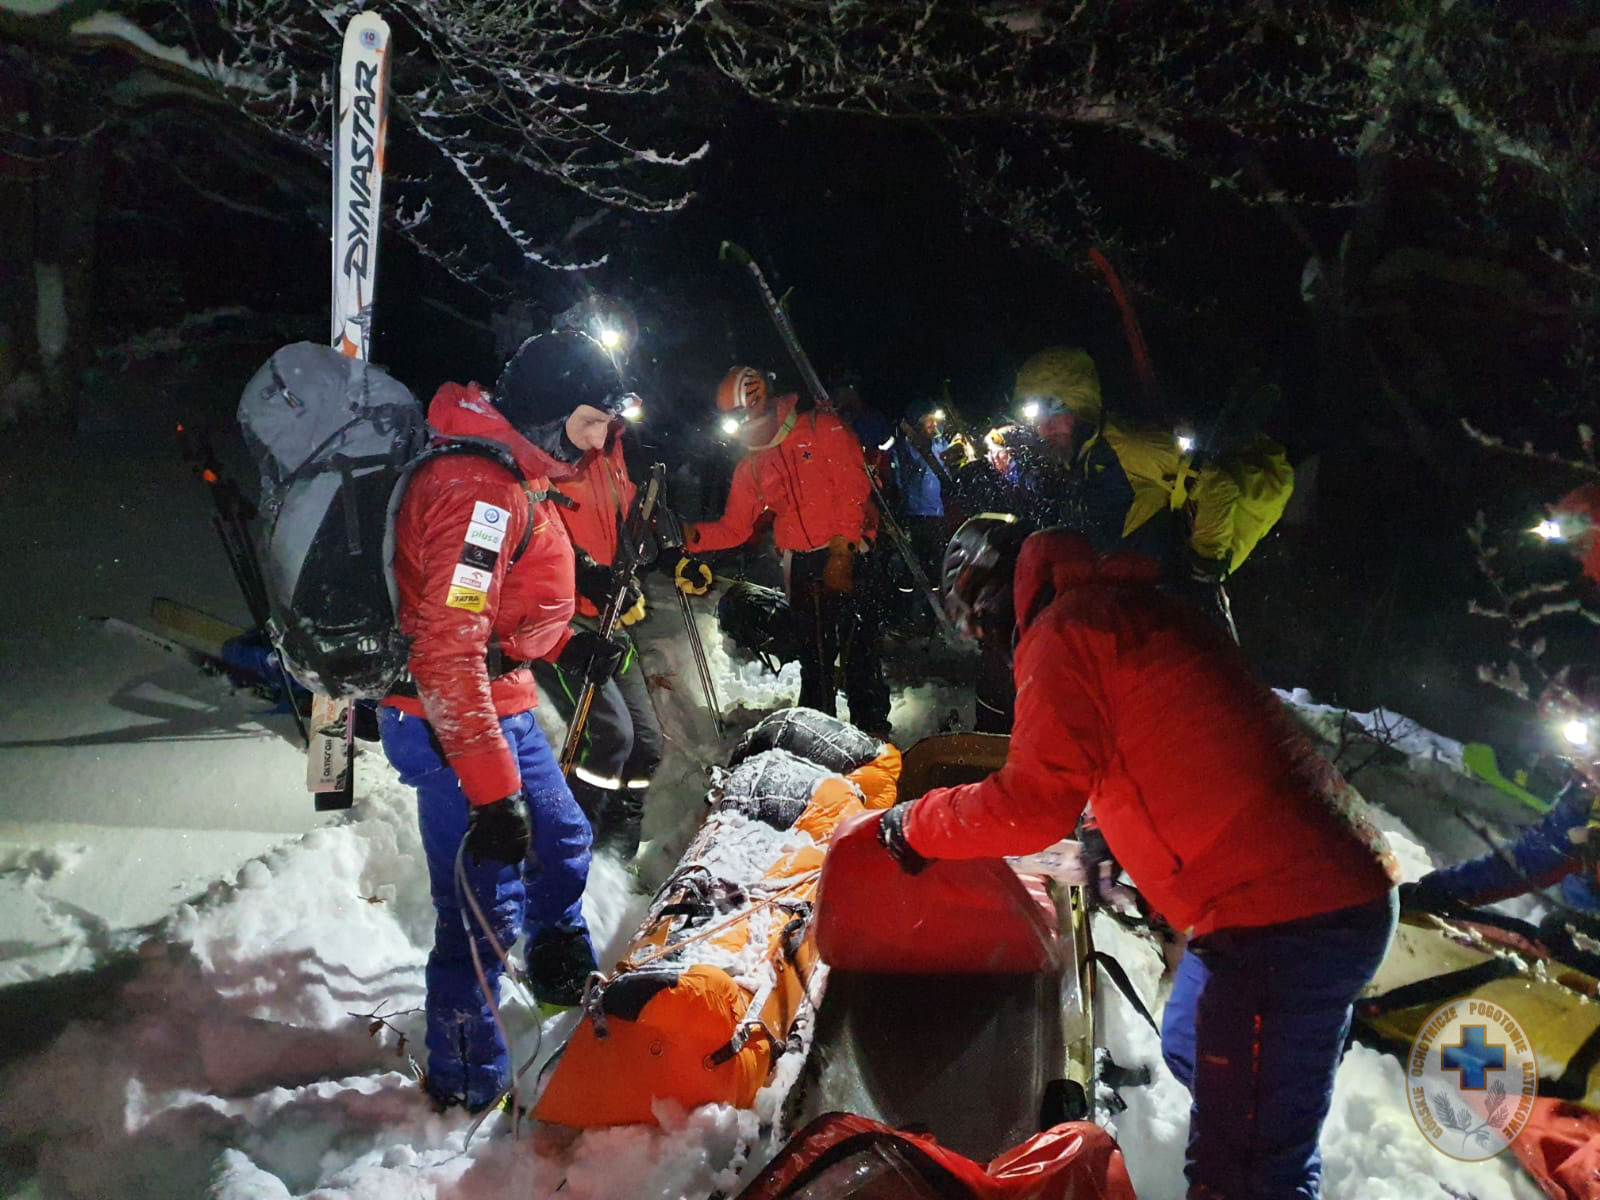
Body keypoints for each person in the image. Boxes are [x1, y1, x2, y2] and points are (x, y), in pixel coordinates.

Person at [872, 517, 1400, 1198]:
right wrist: (1106, 825)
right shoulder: (1120, 610)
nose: (991, 648)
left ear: (990, 600)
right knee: (1190, 1045)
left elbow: (1031, 802)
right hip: (1306, 889)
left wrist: (917, 825)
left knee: (1244, 1172)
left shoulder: (1062, 632)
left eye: (980, 629)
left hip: (1285, 915)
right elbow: (1162, 738)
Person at [377, 330, 623, 1112]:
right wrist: (489, 794)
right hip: (451, 721)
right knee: (484, 910)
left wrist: (566, 644)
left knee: (563, 838)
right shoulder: (478, 488)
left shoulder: (518, 472)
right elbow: (447, 649)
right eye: (590, 421)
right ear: (550, 410)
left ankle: (555, 969)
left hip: (500, 700)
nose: (600, 441)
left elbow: (503, 604)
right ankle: (463, 1079)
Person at [496, 333, 670, 862]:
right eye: (596, 418)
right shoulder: (544, 456)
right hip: (563, 624)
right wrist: (583, 579)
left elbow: (623, 518)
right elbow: (537, 544)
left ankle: (620, 838)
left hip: (607, 614)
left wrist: (646, 552)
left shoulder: (613, 449)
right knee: (609, 737)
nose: (602, 433)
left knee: (648, 742)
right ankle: (573, 843)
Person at [676, 365, 891, 736]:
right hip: (803, 563)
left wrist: (843, 550)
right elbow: (735, 527)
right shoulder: (753, 464)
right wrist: (690, 536)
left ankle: (872, 733)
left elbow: (853, 488)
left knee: (860, 652)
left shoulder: (821, 428)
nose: (741, 428)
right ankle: (817, 735)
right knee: (815, 656)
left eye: (742, 417)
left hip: (852, 552)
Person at [1012, 346, 1293, 590]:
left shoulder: (1128, 445)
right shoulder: (1082, 460)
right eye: (1037, 418)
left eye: (1053, 411)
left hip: (1173, 603)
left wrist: (1201, 564)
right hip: (1138, 599)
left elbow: (1217, 485)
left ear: (1079, 403)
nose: (1043, 427)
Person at [1404, 669, 1600, 968]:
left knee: (1557, 934)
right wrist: (1440, 889)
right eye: (1579, 751)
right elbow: (1533, 857)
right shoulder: (1583, 797)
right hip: (1586, 914)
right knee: (1535, 938)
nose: (1585, 764)